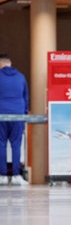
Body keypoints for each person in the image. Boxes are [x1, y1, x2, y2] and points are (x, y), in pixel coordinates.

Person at [0, 53, 30, 186]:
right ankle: (17, 175)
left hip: (1, 114)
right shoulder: (21, 77)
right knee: (16, 145)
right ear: (10, 63)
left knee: (0, 144)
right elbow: (26, 98)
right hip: (18, 115)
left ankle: (2, 176)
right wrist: (23, 115)